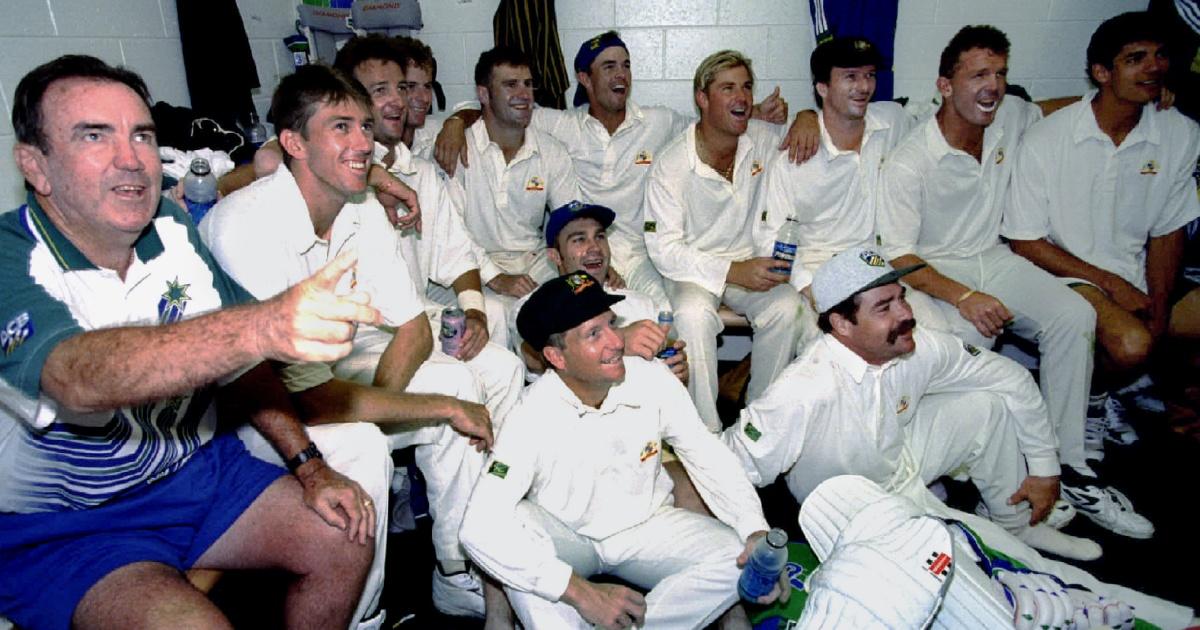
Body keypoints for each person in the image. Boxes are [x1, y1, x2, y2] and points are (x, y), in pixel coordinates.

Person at [0, 55, 383, 630]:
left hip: (195, 475)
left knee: (345, 533)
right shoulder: (12, 257)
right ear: (36, 165)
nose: (131, 159)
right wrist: (260, 326)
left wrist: (309, 466)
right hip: (74, 525)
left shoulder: (170, 227)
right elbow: (75, 378)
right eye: (94, 136)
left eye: (141, 135)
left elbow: (240, 363)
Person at [719, 247, 1196, 629]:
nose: (906, 314)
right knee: (1009, 567)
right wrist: (752, 540)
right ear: (842, 325)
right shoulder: (803, 389)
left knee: (987, 404)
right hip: (857, 509)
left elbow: (1011, 378)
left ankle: (1014, 519)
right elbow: (730, 467)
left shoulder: (914, 345)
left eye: (901, 297)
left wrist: (1045, 470)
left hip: (900, 460)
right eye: (884, 307)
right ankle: (1168, 618)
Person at [198, 65, 497, 618]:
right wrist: (427, 411)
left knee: (456, 379)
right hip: (250, 412)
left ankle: (455, 571)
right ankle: (361, 614)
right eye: (341, 127)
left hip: (327, 372)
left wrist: (398, 408)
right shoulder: (245, 225)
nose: (363, 142)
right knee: (363, 442)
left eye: (364, 125)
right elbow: (302, 398)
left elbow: (413, 327)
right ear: (293, 144)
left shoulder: (359, 207)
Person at [875, 25, 1153, 539]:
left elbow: (1064, 107)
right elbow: (899, 256)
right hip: (934, 270)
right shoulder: (912, 160)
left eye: (1000, 74)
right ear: (945, 85)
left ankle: (1067, 468)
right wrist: (964, 297)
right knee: (970, 336)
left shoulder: (1011, 116)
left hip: (994, 256)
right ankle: (983, 482)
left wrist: (1143, 96)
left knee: (1074, 315)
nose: (993, 86)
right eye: (979, 75)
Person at [460, 271, 784, 629]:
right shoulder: (530, 415)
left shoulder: (651, 377)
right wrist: (581, 594)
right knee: (515, 532)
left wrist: (755, 529)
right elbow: (476, 527)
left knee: (739, 558)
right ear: (556, 357)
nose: (617, 341)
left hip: (645, 527)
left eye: (611, 324)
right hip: (569, 537)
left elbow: (707, 455)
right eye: (594, 334)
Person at [435, 31, 791, 306]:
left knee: (665, 315)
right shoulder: (560, 125)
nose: (621, 74)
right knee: (575, 313)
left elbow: (711, 124)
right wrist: (454, 121)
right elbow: (501, 110)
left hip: (640, 254)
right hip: (585, 250)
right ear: (585, 78)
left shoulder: (658, 122)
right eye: (608, 66)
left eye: (626, 65)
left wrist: (760, 112)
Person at [1007, 11, 1200, 453]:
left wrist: (1159, 306)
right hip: (1064, 273)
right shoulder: (1048, 137)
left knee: (1161, 330)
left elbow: (1168, 230)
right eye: (1135, 59)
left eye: (1160, 55)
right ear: (1101, 72)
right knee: (1133, 344)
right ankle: (1090, 400)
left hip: (1135, 270)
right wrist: (1113, 286)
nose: (1153, 67)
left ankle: (1147, 400)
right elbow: (1025, 241)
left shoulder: (1180, 132)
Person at [644, 49, 805, 431]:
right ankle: (706, 432)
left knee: (787, 307)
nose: (742, 97)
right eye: (728, 88)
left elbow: (802, 131)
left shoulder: (762, 139)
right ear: (702, 98)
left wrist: (807, 117)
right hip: (693, 269)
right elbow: (665, 250)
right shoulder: (671, 164)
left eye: (746, 87)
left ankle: (759, 424)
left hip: (749, 262)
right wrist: (733, 271)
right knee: (692, 316)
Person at [752, 36, 916, 343]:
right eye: (850, 77)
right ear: (822, 87)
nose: (864, 87)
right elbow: (771, 237)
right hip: (816, 270)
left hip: (873, 266)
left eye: (869, 75)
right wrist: (811, 290)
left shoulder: (892, 123)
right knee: (833, 344)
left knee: (916, 334)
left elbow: (942, 117)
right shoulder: (794, 155)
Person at [453, 46, 583, 309]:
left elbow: (570, 220)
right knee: (494, 313)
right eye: (511, 85)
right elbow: (451, 232)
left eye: (528, 84)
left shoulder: (551, 151)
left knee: (577, 302)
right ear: (483, 94)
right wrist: (496, 277)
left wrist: (589, 263)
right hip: (473, 264)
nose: (524, 95)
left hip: (534, 261)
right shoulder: (457, 149)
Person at [508, 201, 686, 382]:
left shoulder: (642, 303)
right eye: (579, 239)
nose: (594, 247)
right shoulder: (533, 307)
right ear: (555, 256)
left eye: (600, 237)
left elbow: (669, 364)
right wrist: (620, 340)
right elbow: (534, 360)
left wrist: (675, 372)